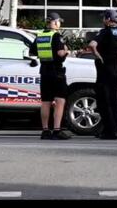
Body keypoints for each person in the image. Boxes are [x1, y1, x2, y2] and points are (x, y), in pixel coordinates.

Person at [89, 9, 117, 140]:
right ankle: (115, 130)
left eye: (104, 17)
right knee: (115, 101)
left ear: (108, 19)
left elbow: (92, 45)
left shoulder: (105, 31)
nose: (103, 20)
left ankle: (108, 131)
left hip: (105, 70)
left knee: (104, 101)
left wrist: (98, 56)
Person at [30, 12, 71, 140]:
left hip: (44, 71)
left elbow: (32, 51)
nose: (60, 24)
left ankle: (45, 130)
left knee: (46, 102)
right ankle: (57, 130)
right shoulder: (57, 35)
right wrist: (66, 51)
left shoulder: (40, 36)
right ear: (54, 22)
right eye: (59, 21)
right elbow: (60, 54)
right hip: (57, 72)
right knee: (60, 100)